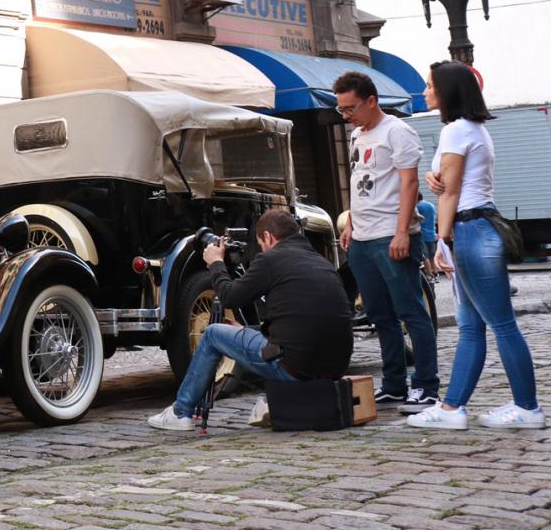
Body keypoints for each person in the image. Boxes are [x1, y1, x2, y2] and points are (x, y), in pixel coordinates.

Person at [409, 61, 545, 430]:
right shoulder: (473, 130)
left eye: (429, 85)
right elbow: (450, 182)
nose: (425, 91)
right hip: (477, 227)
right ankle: (453, 409)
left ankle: (528, 408)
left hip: (470, 230)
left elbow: (452, 191)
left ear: (447, 90)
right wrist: (432, 176)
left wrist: (440, 239)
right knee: (472, 326)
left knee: (500, 325)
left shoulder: (456, 131)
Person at [148, 208, 353, 431]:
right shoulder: (320, 262)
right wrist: (249, 330)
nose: (262, 249)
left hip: (296, 366)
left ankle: (181, 412)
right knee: (239, 334)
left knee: (213, 333)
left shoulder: (271, 259)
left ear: (268, 237)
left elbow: (229, 297)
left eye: (261, 243)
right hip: (336, 367)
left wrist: (216, 263)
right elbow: (295, 319)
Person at [333, 71, 438, 411]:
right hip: (362, 238)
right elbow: (359, 181)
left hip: (391, 235)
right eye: (341, 110)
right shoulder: (355, 137)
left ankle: (426, 385)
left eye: (350, 108)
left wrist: (401, 231)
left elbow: (409, 184)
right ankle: (394, 384)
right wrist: (350, 221)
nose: (346, 115)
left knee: (411, 311)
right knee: (380, 316)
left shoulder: (397, 131)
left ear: (371, 100)